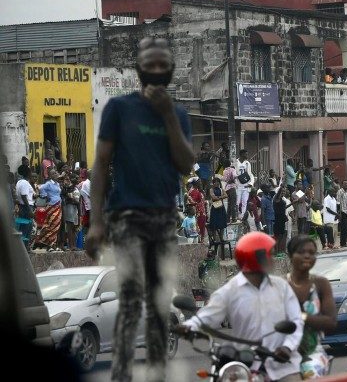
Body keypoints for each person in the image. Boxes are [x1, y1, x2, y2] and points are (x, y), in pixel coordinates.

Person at [86, 36, 195, 382]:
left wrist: (167, 116)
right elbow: (101, 164)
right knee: (131, 299)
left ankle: (158, 374)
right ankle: (121, 376)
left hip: (164, 217)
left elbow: (185, 164)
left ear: (171, 71)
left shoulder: (177, 114)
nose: (157, 71)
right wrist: (95, 223)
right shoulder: (120, 108)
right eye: (151, 66)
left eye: (164, 66)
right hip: (126, 217)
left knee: (160, 303)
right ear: (140, 70)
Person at [177, 233, 304, 382]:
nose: (273, 260)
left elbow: (296, 321)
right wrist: (188, 327)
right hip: (246, 367)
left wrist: (287, 347)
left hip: (284, 367)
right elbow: (207, 316)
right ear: (257, 258)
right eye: (270, 255)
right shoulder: (229, 291)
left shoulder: (281, 287)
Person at [286, 236, 337, 379]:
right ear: (290, 255)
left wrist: (300, 317)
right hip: (283, 353)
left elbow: (331, 322)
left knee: (312, 373)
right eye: (301, 252)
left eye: (312, 252)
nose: (307, 256)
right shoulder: (281, 285)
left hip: (312, 352)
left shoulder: (321, 284)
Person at [35, 169, 63, 251]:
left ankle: (52, 244)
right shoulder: (49, 183)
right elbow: (40, 188)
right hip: (52, 205)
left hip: (58, 205)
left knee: (56, 226)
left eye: (56, 172)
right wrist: (45, 195)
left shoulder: (57, 183)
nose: (56, 174)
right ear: (50, 175)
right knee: (51, 225)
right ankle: (49, 244)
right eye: (53, 173)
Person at [208, 177, 229, 258]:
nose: (216, 183)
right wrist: (221, 197)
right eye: (215, 182)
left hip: (221, 208)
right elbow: (213, 197)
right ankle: (214, 238)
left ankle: (221, 237)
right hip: (215, 208)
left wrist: (219, 197)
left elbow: (226, 195)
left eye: (218, 182)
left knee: (222, 224)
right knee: (214, 224)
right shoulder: (211, 190)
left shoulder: (221, 189)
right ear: (213, 183)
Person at [15, 165, 35, 248]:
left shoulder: (19, 182)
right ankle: (24, 249)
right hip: (26, 207)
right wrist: (29, 210)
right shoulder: (24, 183)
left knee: (24, 228)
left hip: (23, 207)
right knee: (26, 229)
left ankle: (24, 248)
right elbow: (24, 196)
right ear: (28, 173)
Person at [236, 149, 255, 217]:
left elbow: (250, 174)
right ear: (241, 154)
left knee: (244, 202)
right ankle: (237, 215)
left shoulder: (247, 163)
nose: (247, 155)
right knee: (237, 202)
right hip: (238, 185)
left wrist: (251, 183)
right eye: (246, 154)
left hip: (246, 185)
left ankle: (243, 215)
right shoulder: (236, 162)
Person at [273, 187, 291, 253]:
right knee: (278, 236)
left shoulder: (282, 199)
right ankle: (276, 251)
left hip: (282, 218)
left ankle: (279, 251)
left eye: (284, 191)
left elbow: (284, 208)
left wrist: (293, 203)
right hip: (278, 218)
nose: (284, 192)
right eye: (282, 191)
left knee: (281, 235)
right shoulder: (276, 198)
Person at [336, 181, 347, 247]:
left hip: (346, 212)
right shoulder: (340, 192)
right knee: (343, 228)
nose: (346, 185)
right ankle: (342, 243)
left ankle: (345, 242)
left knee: (346, 228)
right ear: (342, 185)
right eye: (345, 184)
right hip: (342, 212)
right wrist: (339, 213)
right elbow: (338, 202)